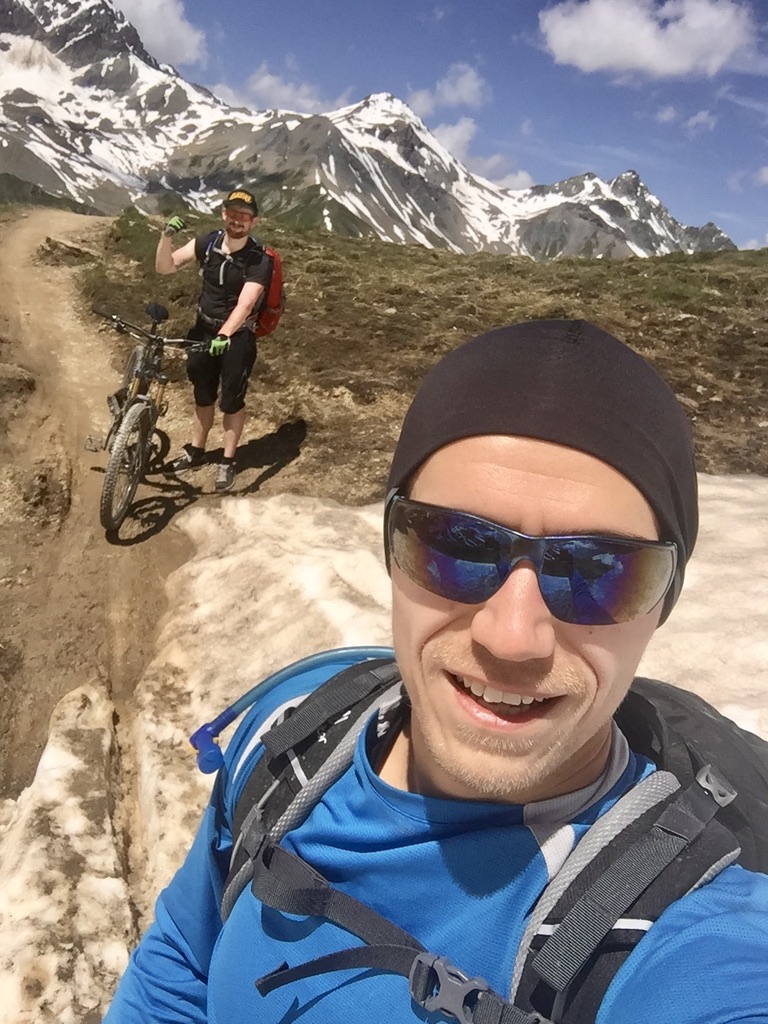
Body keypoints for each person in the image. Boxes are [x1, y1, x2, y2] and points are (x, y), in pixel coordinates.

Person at [104, 320, 768, 1023]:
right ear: (393, 549)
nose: (513, 636)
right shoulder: (294, 736)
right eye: (457, 546)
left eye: (596, 572)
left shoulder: (683, 938)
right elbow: (182, 958)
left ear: (663, 603)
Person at [156, 188, 273, 492]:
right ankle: (196, 449)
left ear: (253, 222)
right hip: (202, 330)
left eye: (244, 216)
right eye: (232, 213)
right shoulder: (207, 243)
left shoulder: (259, 259)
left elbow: (246, 305)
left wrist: (224, 334)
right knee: (202, 392)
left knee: (232, 400)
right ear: (223, 214)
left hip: (237, 337)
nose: (237, 220)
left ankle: (228, 459)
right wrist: (166, 236)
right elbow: (165, 267)